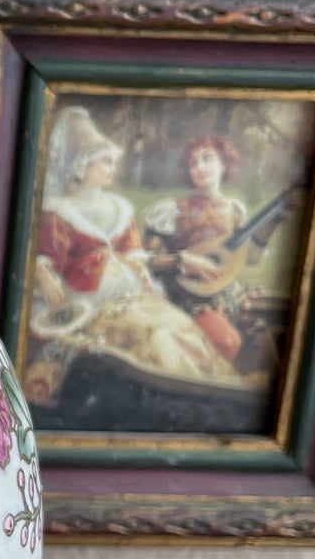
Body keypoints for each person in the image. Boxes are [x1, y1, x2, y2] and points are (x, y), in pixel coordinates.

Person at [26, 107, 238, 408]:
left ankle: (217, 391)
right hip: (89, 300)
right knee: (156, 336)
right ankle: (191, 399)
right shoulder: (59, 212)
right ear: (83, 167)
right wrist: (44, 272)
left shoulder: (119, 208)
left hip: (131, 294)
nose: (113, 168)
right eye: (106, 162)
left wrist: (141, 272)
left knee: (178, 325)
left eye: (113, 162)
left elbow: (134, 254)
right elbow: (48, 255)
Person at [142, 135, 284, 372]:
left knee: (277, 321)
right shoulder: (171, 210)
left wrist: (274, 221)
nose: (199, 167)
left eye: (207, 159)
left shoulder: (234, 210)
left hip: (228, 296)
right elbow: (145, 262)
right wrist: (182, 261)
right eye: (193, 163)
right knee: (226, 341)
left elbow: (250, 258)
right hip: (187, 299)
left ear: (224, 165)